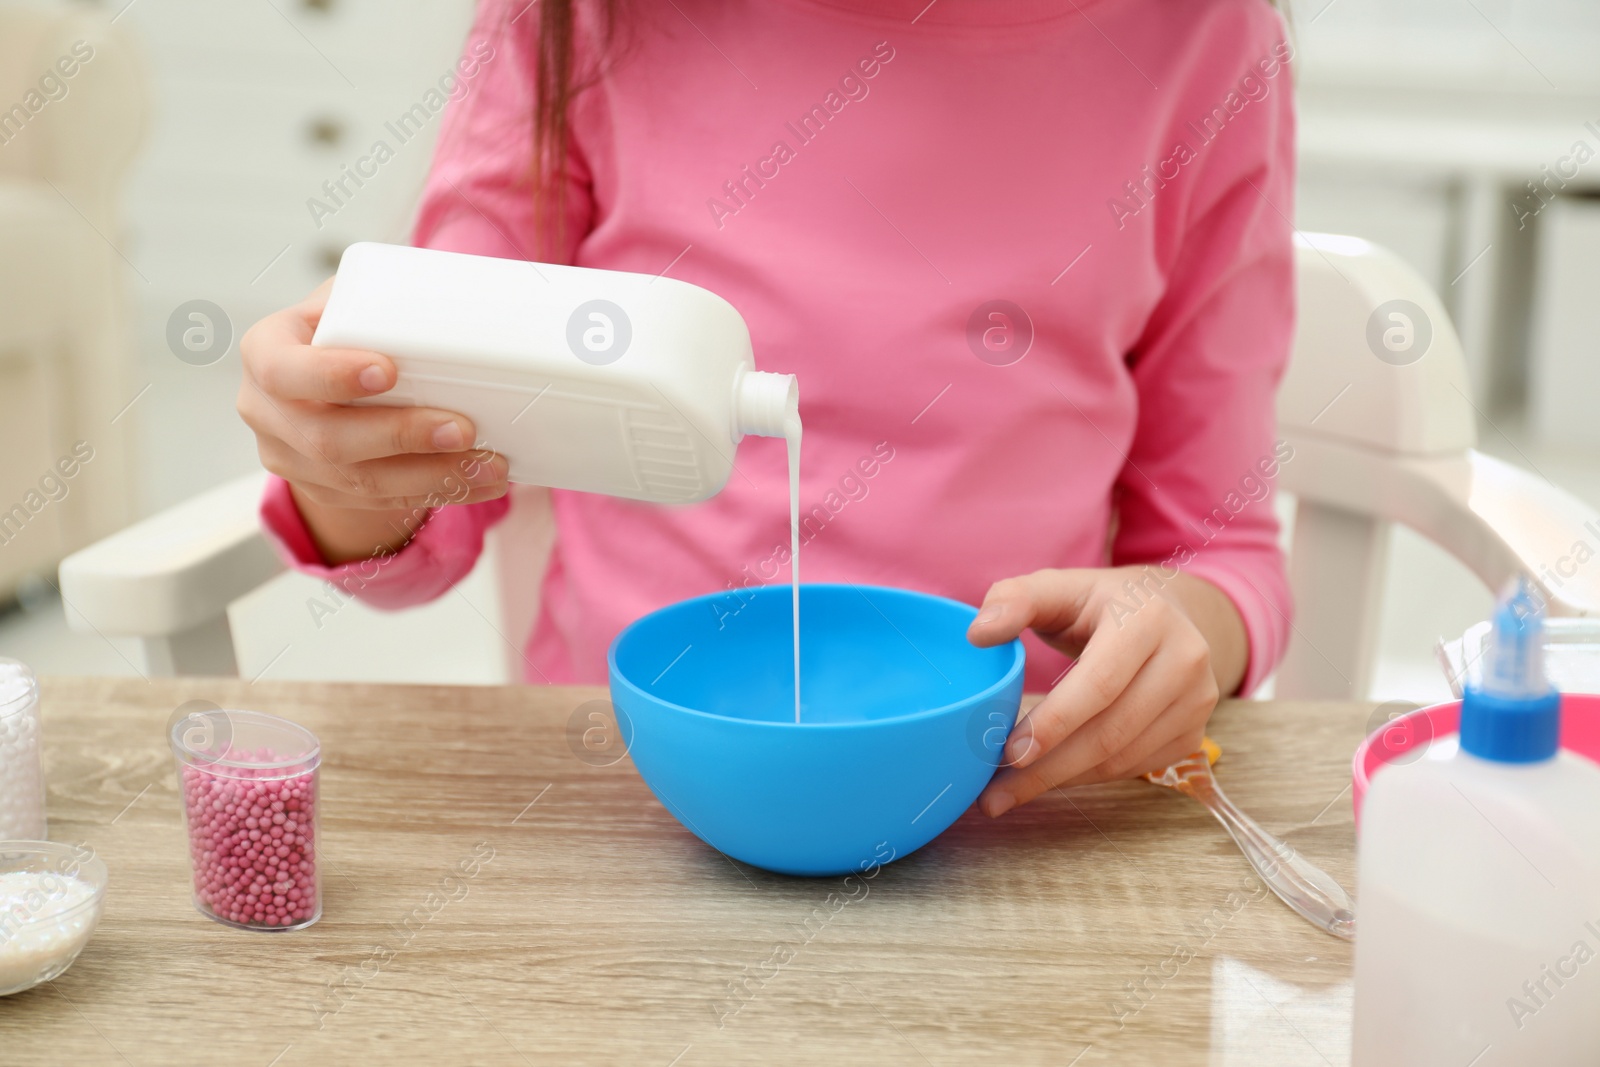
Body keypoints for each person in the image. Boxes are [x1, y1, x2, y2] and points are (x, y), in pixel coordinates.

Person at [239, 0, 1297, 819]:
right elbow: (434, 483)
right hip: (623, 804)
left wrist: (1185, 629)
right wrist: (346, 466)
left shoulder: (1200, 39)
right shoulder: (583, 18)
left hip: (1022, 807)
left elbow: (1223, 547)